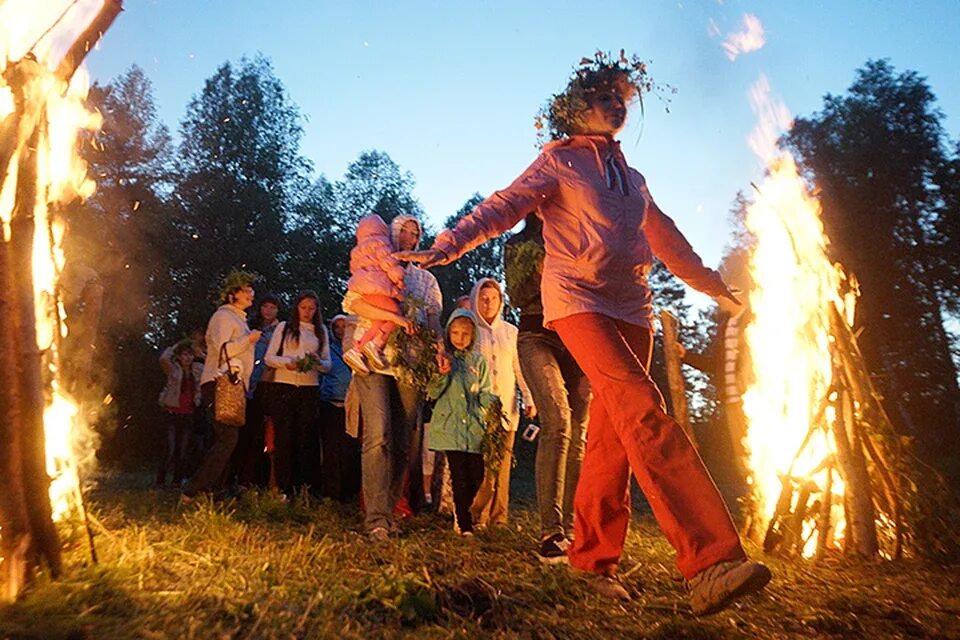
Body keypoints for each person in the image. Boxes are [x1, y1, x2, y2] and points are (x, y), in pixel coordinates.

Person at [397, 54, 771, 614]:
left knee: (613, 438)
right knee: (644, 408)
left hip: (633, 310)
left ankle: (592, 562)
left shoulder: (633, 179)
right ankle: (711, 561)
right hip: (577, 304)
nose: (616, 104)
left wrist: (714, 285)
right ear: (575, 108)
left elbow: (667, 238)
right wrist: (447, 245)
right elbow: (502, 208)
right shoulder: (558, 161)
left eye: (623, 97)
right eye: (604, 96)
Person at [342, 214, 443, 541]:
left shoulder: (425, 281)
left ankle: (388, 510)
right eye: (404, 231)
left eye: (416, 233)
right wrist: (392, 319)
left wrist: (439, 349)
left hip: (409, 363)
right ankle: (375, 519)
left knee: (402, 442)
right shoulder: (369, 264)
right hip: (371, 357)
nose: (410, 237)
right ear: (391, 233)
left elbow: (433, 320)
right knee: (379, 433)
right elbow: (355, 304)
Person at [504, 213, 592, 563]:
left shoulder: (578, 236)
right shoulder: (518, 243)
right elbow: (517, 293)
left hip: (579, 339)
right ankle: (550, 531)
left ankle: (571, 530)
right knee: (557, 423)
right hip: (536, 334)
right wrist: (543, 270)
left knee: (579, 433)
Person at [182, 271, 261, 503]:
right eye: (246, 291)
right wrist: (249, 340)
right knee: (227, 438)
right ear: (232, 294)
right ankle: (193, 489)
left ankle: (212, 490)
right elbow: (222, 349)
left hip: (232, 385)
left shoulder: (239, 319)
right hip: (219, 383)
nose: (251, 295)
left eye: (251, 291)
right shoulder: (223, 317)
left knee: (225, 438)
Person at [468, 278, 535, 529]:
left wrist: (528, 397)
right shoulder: (470, 329)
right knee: (483, 465)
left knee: (503, 466)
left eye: (493, 299)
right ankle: (478, 515)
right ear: (476, 300)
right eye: (483, 298)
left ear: (500, 301)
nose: (488, 303)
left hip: (507, 409)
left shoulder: (510, 332)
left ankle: (499, 517)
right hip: (479, 410)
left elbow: (519, 368)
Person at [426, 309, 498, 536]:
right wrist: (442, 374)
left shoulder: (478, 361)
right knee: (459, 475)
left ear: (473, 335)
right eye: (455, 332)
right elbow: (432, 392)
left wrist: (494, 404)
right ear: (448, 333)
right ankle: (463, 522)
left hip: (474, 427)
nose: (459, 338)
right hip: (451, 427)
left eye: (465, 333)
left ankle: (467, 512)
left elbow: (484, 390)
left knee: (476, 474)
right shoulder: (443, 358)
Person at [264, 290, 331, 496]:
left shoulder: (321, 331)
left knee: (306, 439)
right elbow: (269, 357)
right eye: (304, 308)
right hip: (284, 386)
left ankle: (304, 487)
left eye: (311, 308)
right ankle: (283, 488)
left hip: (309, 388)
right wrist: (288, 363)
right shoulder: (284, 328)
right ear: (297, 308)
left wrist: (317, 362)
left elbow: (328, 364)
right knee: (284, 437)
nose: (307, 312)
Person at [341, 214, 410, 375]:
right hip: (377, 286)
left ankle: (358, 350)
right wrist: (399, 280)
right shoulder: (381, 242)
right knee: (396, 314)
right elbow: (388, 264)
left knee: (379, 320)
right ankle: (375, 344)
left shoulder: (358, 249)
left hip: (364, 289)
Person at [233, 293, 281, 489]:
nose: (268, 311)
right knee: (246, 432)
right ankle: (242, 477)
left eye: (273, 307)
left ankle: (260, 479)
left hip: (269, 384)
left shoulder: (281, 330)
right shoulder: (250, 327)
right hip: (247, 384)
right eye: (265, 307)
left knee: (266, 434)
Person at [318, 314, 360, 501]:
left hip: (353, 405)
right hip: (331, 403)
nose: (341, 331)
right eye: (337, 327)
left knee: (351, 449)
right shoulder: (328, 350)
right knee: (331, 450)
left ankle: (350, 492)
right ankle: (331, 493)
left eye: (345, 327)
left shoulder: (358, 348)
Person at [156, 340, 203, 487]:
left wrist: (200, 353)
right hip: (172, 413)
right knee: (169, 449)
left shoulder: (197, 370)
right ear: (179, 357)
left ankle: (177, 480)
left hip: (188, 414)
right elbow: (163, 359)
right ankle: (160, 481)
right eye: (184, 355)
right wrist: (176, 346)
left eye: (190, 355)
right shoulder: (173, 370)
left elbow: (211, 367)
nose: (187, 358)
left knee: (183, 451)